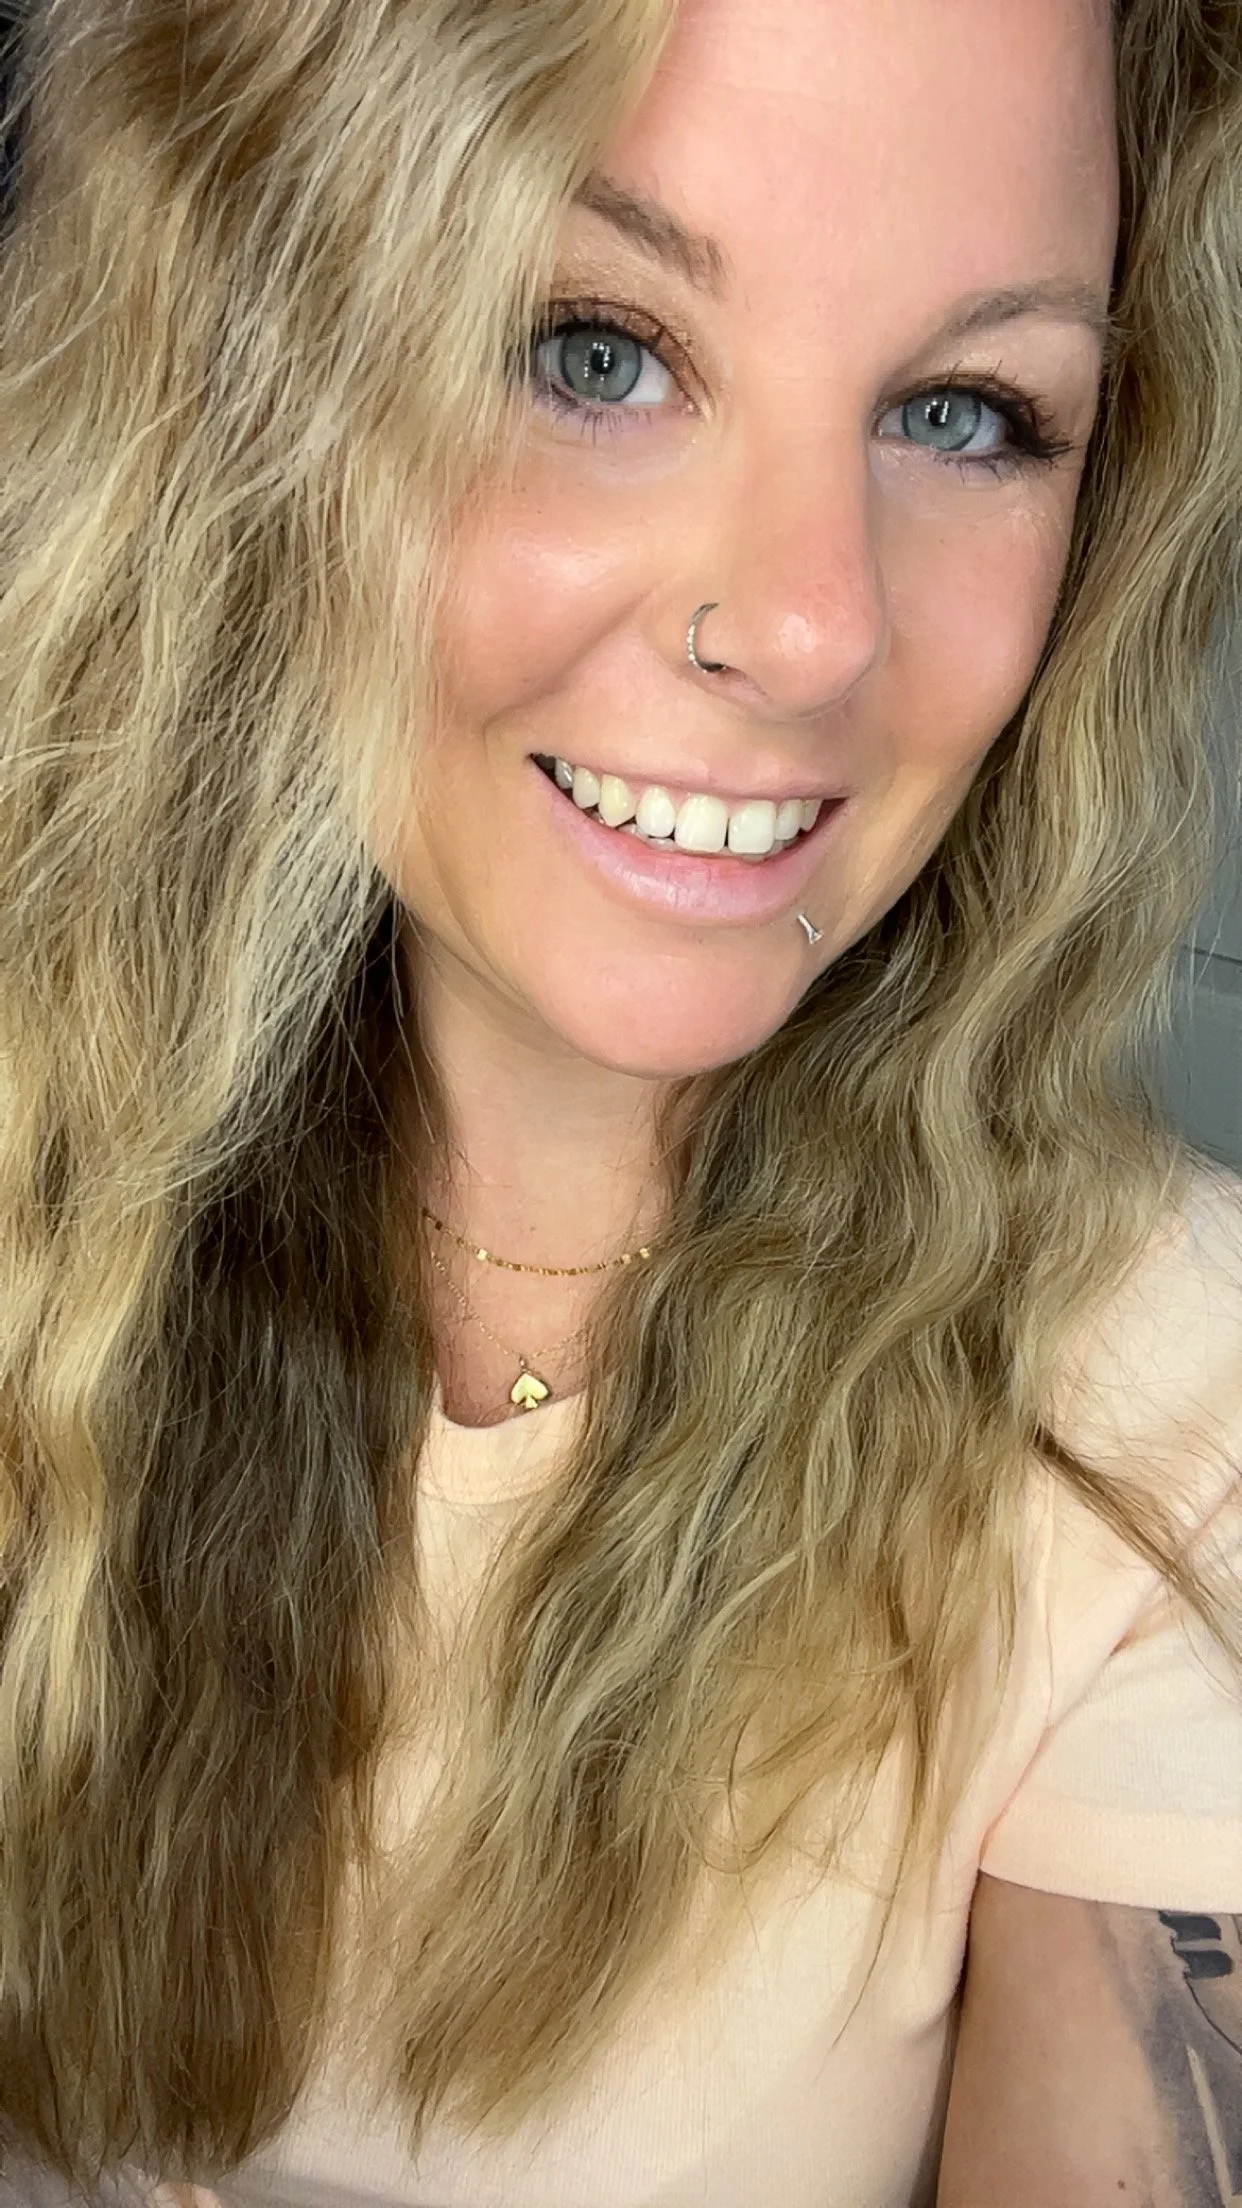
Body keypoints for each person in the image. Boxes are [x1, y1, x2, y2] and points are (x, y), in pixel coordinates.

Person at [0, 0, 1239, 2202]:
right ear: (237, 354)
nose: (809, 623)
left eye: (969, 411)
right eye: (593, 349)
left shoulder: (1175, 1424)